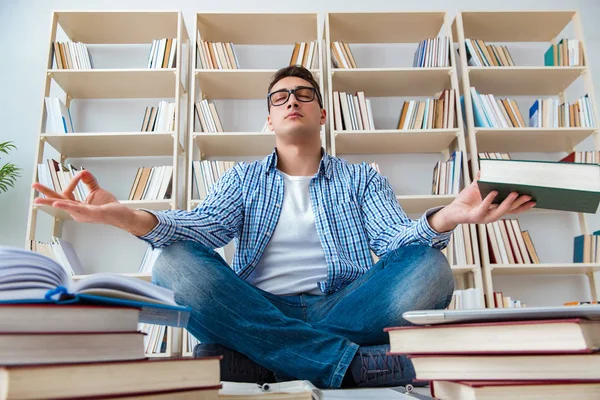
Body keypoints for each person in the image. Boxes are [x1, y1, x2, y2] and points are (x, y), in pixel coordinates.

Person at [32, 65, 535, 389]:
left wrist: (448, 217)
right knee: (175, 263)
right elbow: (200, 228)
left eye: (303, 94)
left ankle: (261, 358)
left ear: (321, 112)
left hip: (344, 303)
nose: (291, 100)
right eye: (280, 97)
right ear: (269, 119)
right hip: (257, 304)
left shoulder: (361, 179)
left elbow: (394, 242)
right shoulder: (244, 179)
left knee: (429, 266)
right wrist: (123, 215)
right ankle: (356, 364)